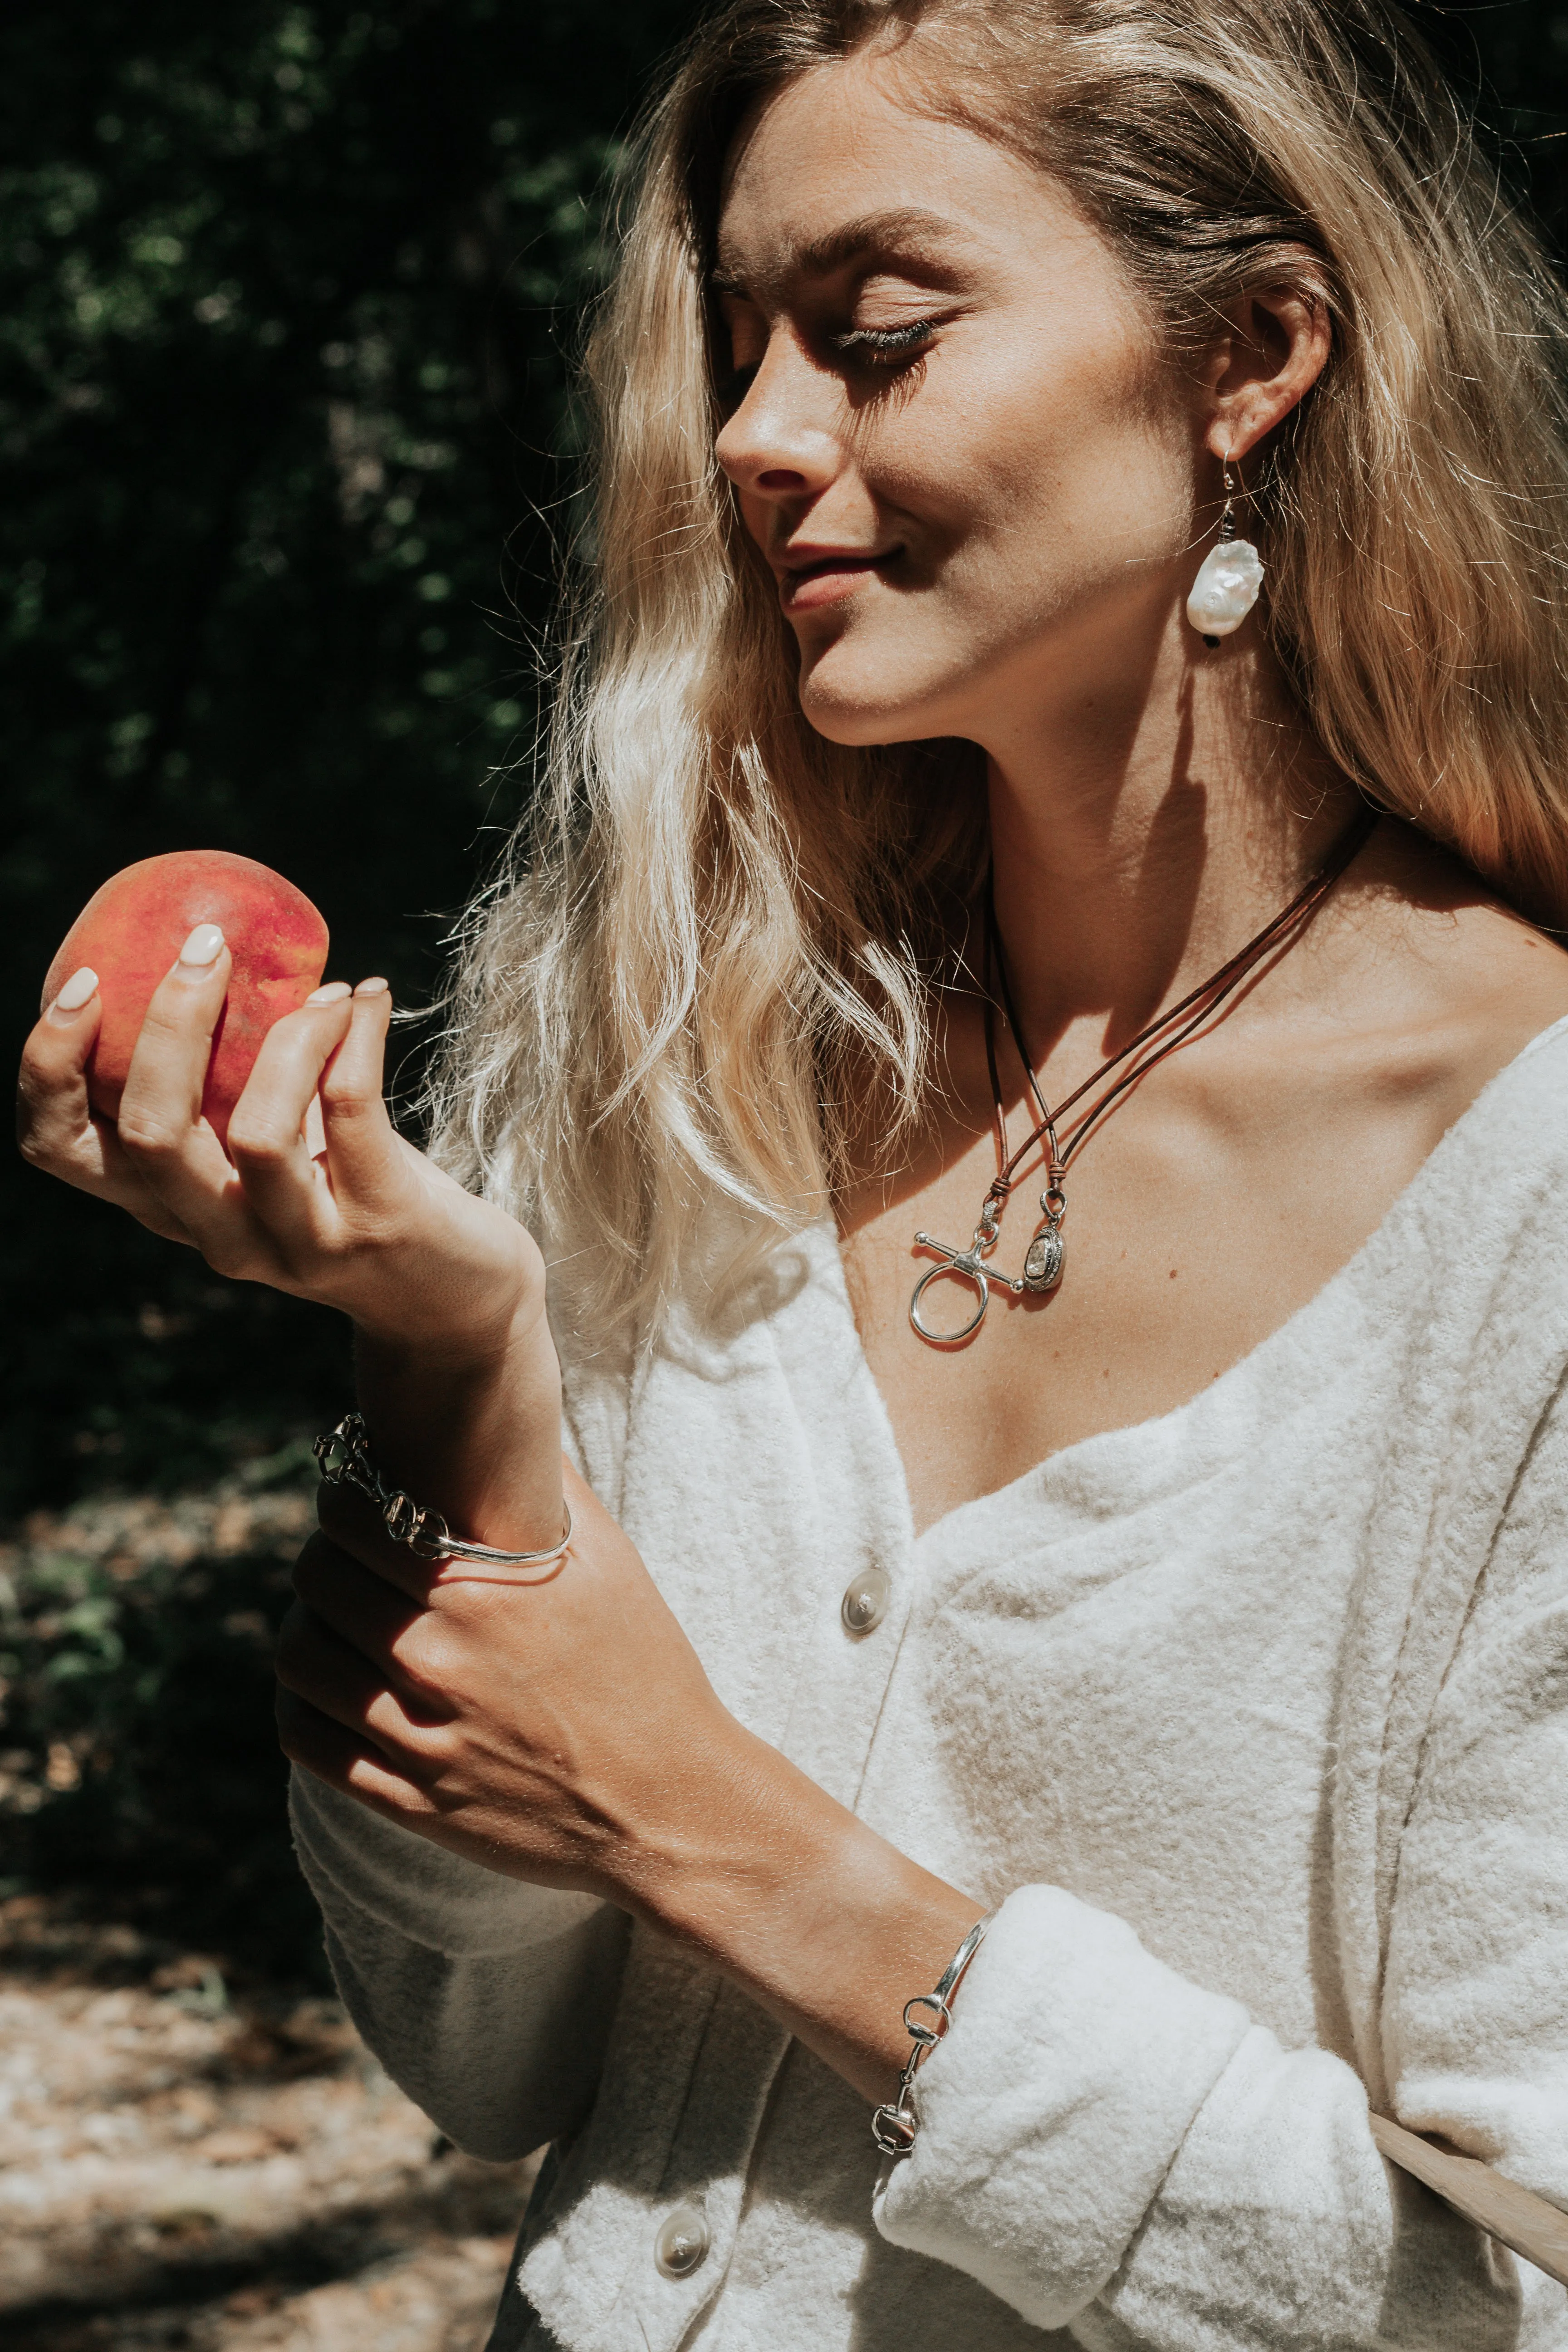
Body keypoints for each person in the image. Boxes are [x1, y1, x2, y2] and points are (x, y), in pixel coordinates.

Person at [19, 0, 1568, 2343]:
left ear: (1250, 353)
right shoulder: (681, 1057)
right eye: (738, 348)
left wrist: (710, 1823)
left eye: (873, 335)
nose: (751, 435)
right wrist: (457, 1364)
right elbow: (476, 2051)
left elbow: (1490, 2297)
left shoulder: (1533, 1216)